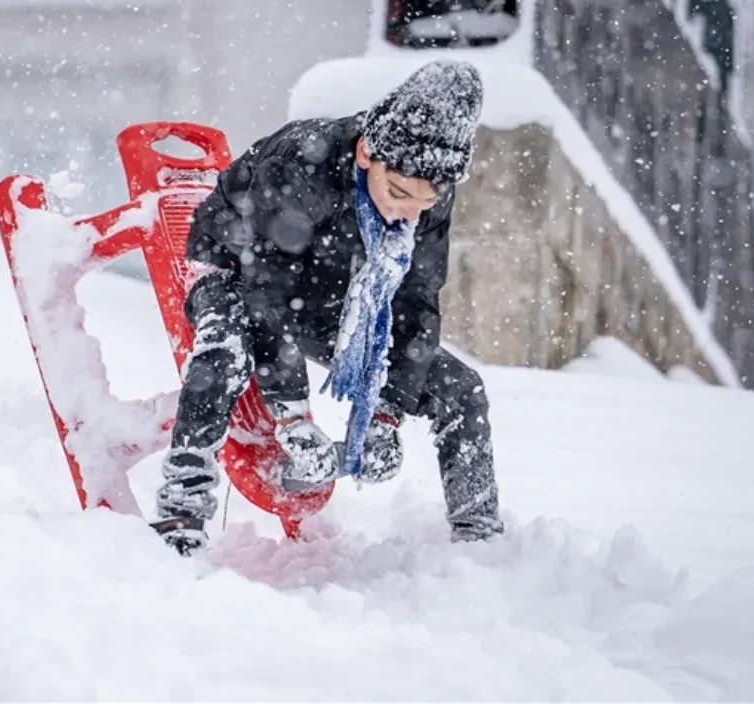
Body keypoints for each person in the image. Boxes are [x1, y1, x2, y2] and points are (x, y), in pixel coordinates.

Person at [150, 59, 504, 555]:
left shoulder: (428, 191)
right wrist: (291, 416)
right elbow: (266, 292)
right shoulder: (303, 162)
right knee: (225, 352)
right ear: (365, 153)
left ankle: (480, 541)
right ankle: (180, 514)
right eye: (398, 193)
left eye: (422, 204)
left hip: (333, 287)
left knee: (462, 390)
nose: (406, 213)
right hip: (235, 265)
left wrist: (388, 411)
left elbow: (416, 301)